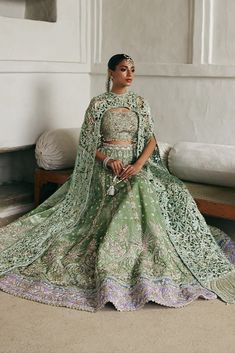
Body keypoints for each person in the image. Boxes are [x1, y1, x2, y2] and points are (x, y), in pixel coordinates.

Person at [0, 54, 235, 312]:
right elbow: (87, 144)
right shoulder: (98, 104)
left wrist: (138, 165)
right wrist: (108, 160)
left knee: (160, 187)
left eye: (133, 69)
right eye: (124, 69)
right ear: (111, 73)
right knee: (128, 191)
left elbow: (151, 140)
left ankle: (147, 248)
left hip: (135, 166)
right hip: (105, 169)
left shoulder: (139, 103)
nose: (130, 74)